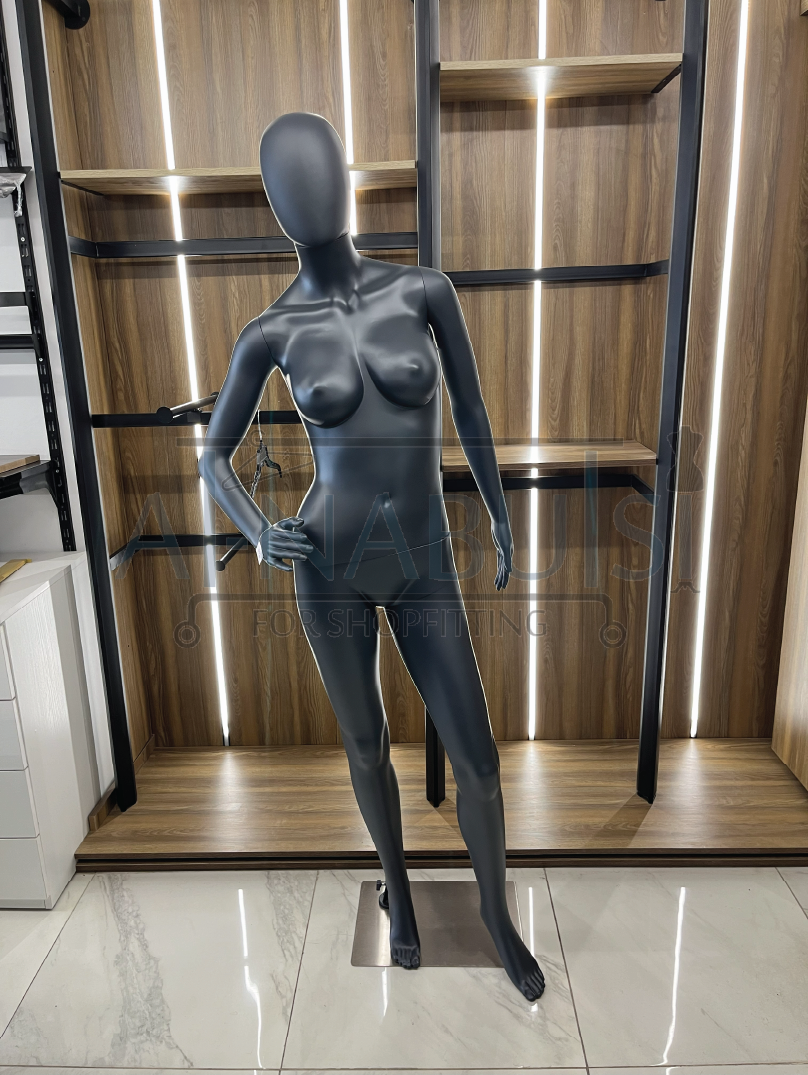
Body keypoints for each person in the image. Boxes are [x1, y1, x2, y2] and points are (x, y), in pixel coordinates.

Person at [200, 111, 544, 1002]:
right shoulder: (270, 332)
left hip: (424, 559)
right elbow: (213, 454)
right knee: (367, 742)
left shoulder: (424, 290)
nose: (310, 195)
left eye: (320, 173)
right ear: (276, 205)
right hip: (328, 563)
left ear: (346, 182)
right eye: (290, 184)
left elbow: (472, 410)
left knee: (477, 756)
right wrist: (257, 528)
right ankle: (399, 896)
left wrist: (499, 511)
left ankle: (496, 913)